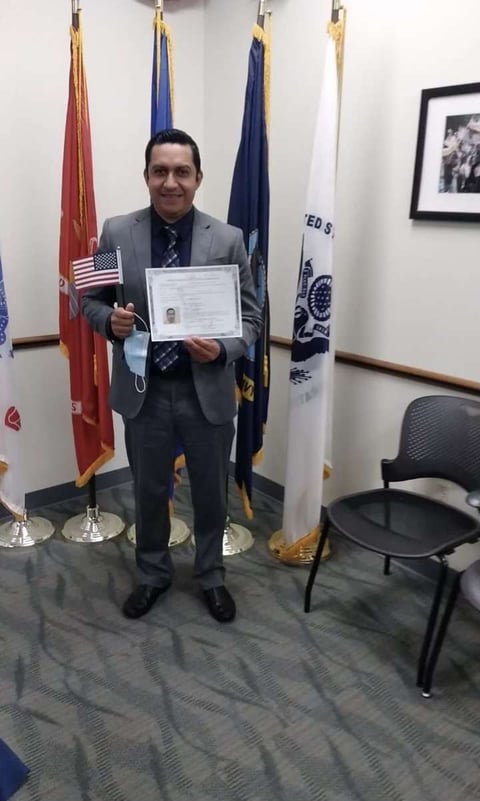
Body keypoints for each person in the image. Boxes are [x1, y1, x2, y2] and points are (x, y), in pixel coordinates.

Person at [82, 129, 262, 623]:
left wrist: (222, 349)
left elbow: (251, 319)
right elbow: (90, 301)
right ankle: (152, 574)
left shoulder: (225, 239)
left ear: (198, 178)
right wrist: (111, 324)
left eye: (182, 172)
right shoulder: (116, 232)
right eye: (160, 171)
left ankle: (211, 577)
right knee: (148, 490)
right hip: (146, 391)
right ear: (146, 177)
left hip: (206, 391)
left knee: (210, 491)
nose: (170, 182)